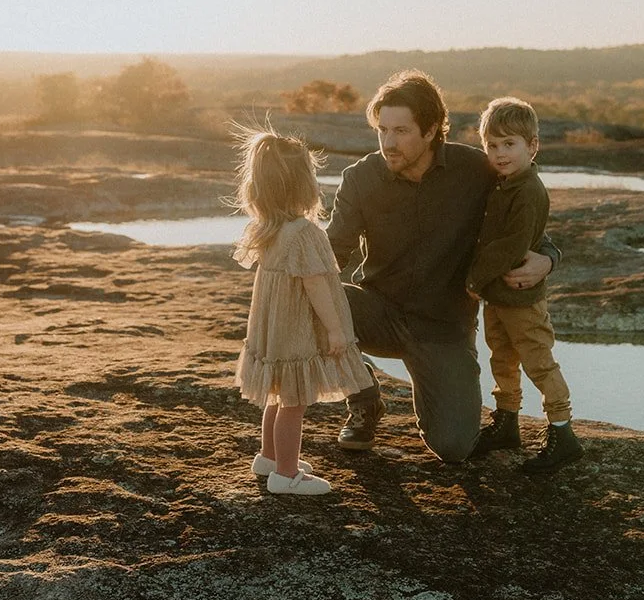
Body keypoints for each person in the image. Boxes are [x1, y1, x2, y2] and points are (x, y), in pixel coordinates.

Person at [325, 70, 557, 463]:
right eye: (382, 130)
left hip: (444, 328)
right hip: (378, 312)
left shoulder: (475, 171)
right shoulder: (361, 178)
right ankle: (363, 398)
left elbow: (523, 220)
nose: (388, 143)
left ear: (431, 130)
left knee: (454, 446)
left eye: (400, 131)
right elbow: (332, 253)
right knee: (305, 301)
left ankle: (434, 385)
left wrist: (549, 259)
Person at [233, 127, 373, 496]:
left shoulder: (268, 228)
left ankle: (268, 457)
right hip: (294, 329)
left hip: (272, 328)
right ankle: (286, 473)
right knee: (293, 401)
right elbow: (315, 285)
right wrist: (336, 330)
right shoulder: (305, 232)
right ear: (303, 185)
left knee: (278, 394)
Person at [466, 97, 584, 472]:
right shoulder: (502, 183)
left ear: (533, 146)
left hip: (521, 297)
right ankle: (506, 421)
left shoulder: (529, 190)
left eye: (510, 144)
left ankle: (563, 431)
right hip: (498, 298)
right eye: (492, 145)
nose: (499, 154)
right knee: (501, 357)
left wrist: (473, 278)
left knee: (539, 363)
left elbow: (511, 246)